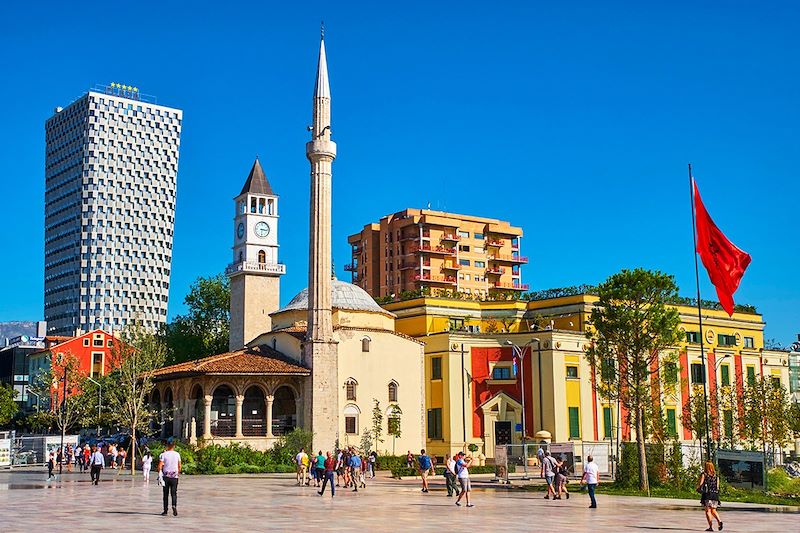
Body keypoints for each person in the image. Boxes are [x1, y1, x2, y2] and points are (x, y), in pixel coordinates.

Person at [158, 438, 181, 516]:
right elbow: (179, 465)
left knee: (165, 494)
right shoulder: (177, 454)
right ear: (174, 446)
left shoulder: (164, 454)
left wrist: (159, 473)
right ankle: (174, 505)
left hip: (166, 476)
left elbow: (160, 466)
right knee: (174, 493)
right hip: (174, 476)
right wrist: (178, 473)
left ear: (167, 445)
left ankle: (165, 510)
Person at [697, 461, 722, 531]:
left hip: (707, 494)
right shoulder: (716, 476)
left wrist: (698, 488)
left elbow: (700, 484)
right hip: (715, 495)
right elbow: (717, 487)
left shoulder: (704, 474)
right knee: (713, 510)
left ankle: (710, 527)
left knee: (708, 511)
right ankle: (719, 521)